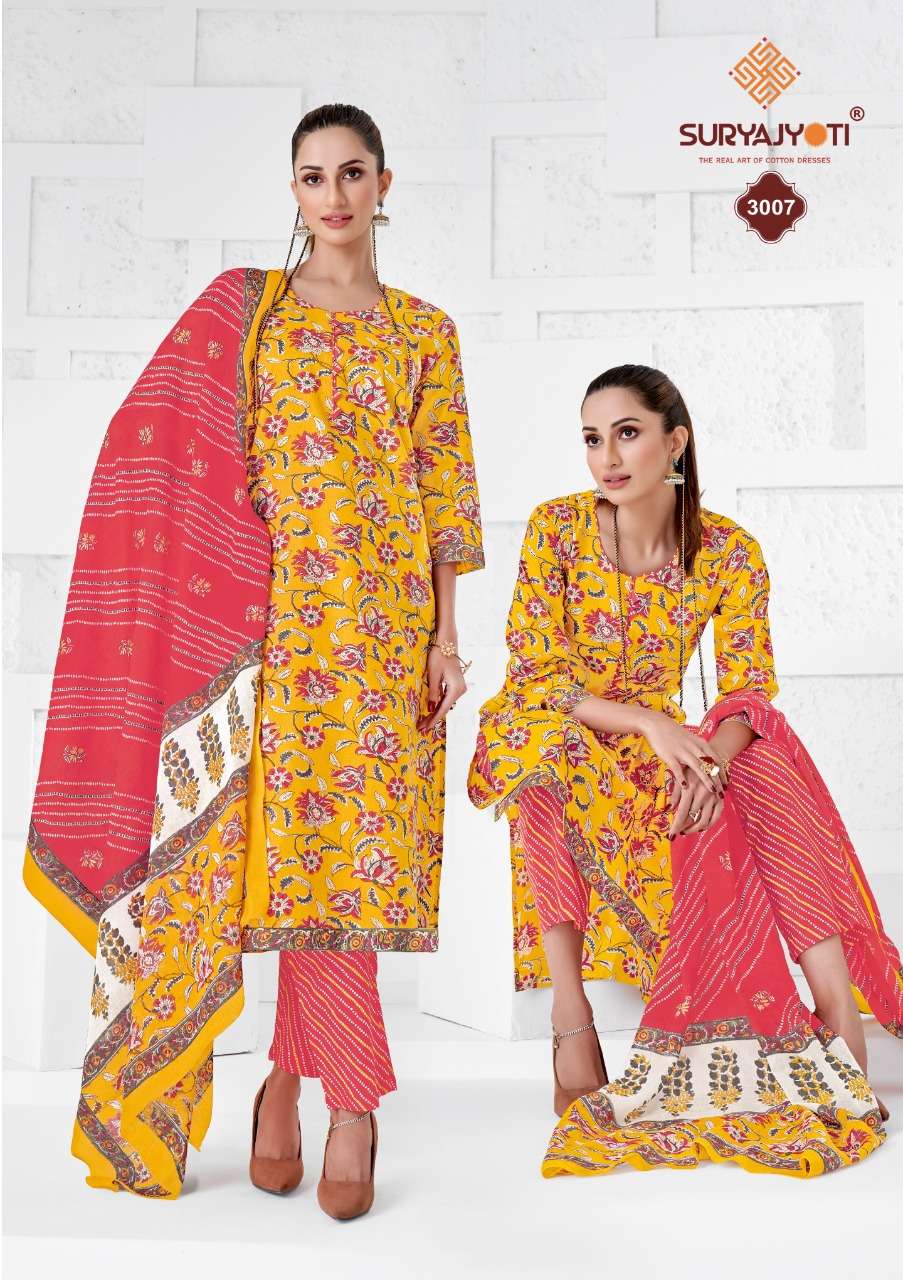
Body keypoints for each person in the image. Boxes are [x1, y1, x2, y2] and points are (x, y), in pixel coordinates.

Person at [22, 102, 484, 1213]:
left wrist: (445, 635)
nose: (334, 195)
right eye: (313, 176)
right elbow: (148, 442)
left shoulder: (426, 332)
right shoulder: (249, 312)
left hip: (382, 641)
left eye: (353, 173)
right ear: (294, 191)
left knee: (353, 866)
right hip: (265, 638)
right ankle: (344, 1098)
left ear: (384, 184)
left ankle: (299, 1082)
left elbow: (446, 496)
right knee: (280, 869)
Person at [466, 363, 902, 1177]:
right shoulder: (556, 529)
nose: (606, 457)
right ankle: (569, 1015)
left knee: (763, 761)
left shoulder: (728, 551)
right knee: (543, 754)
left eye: (626, 433)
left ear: (674, 442)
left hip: (663, 747)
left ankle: (836, 1012)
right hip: (561, 720)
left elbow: (746, 689)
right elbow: (536, 675)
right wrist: (647, 721)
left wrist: (710, 766)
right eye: (592, 438)